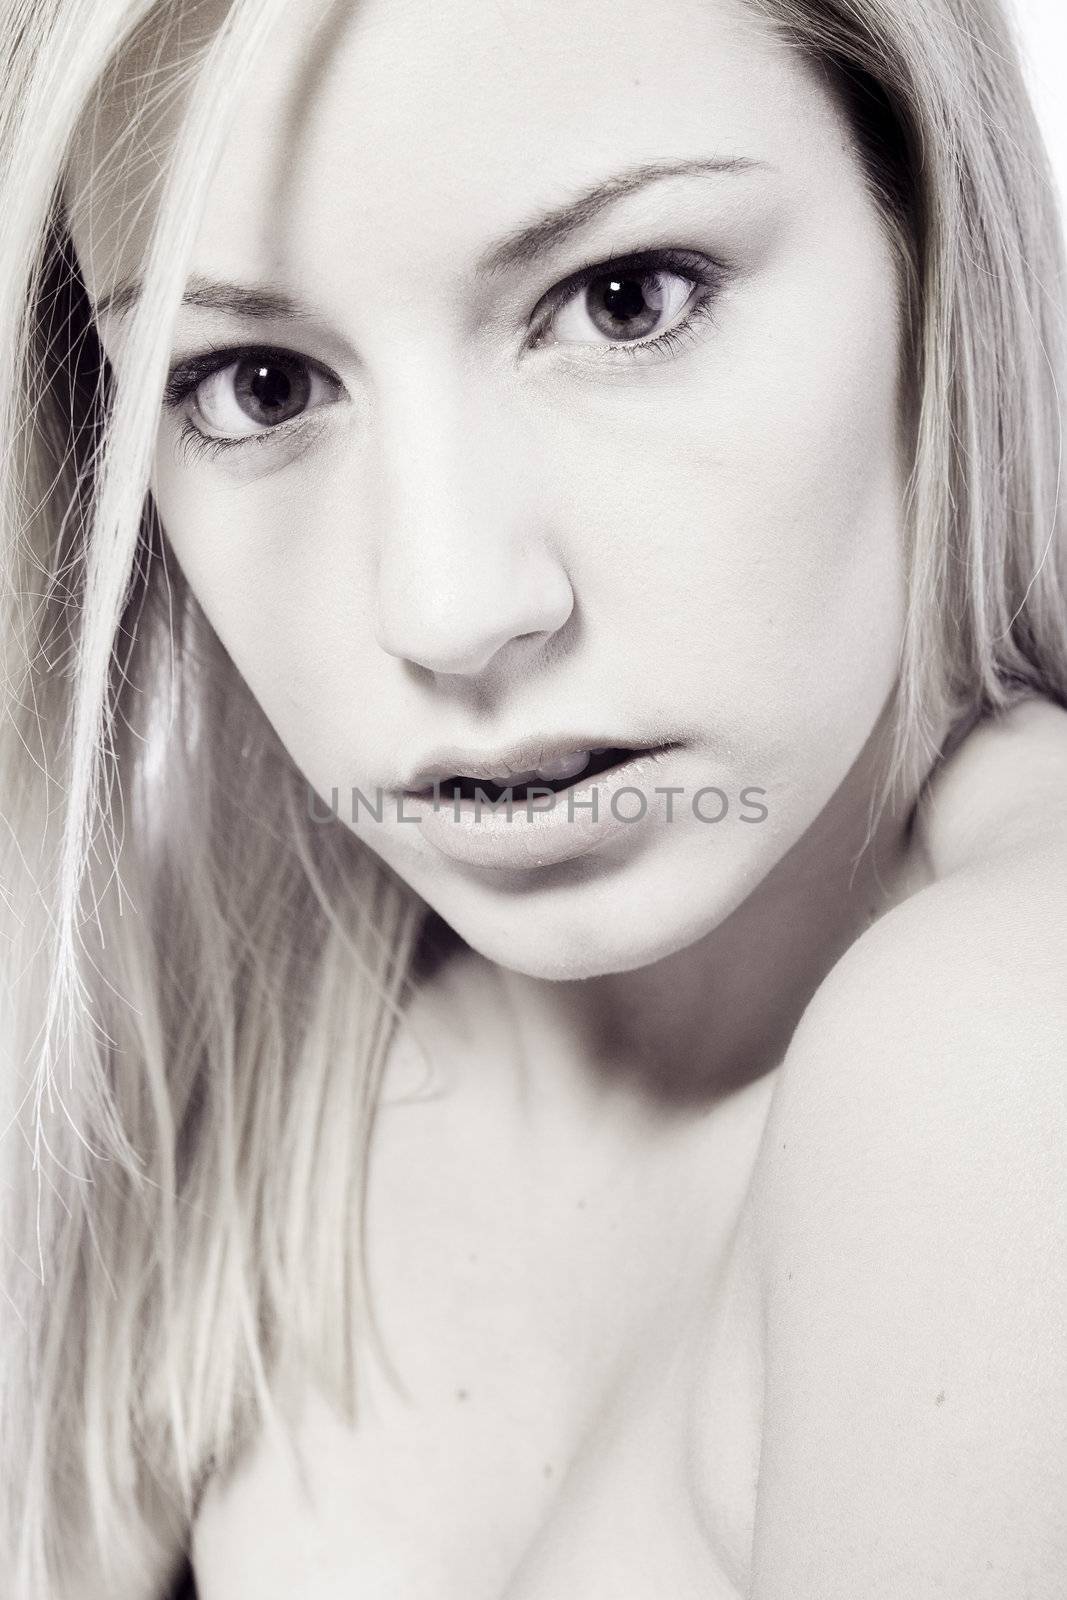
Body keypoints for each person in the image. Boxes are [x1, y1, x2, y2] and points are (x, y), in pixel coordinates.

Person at [1, 0, 1066, 1594]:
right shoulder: (183, 1027)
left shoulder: (1008, 1038)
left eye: (626, 301)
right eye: (259, 387)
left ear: (930, 239)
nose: (448, 605)